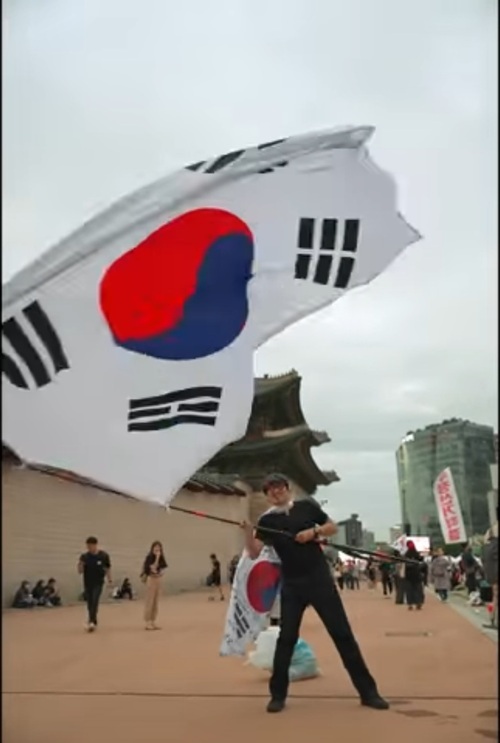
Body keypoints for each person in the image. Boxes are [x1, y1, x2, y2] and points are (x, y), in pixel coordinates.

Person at [242, 473, 389, 714]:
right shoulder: (267, 521)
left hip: (320, 581)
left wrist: (313, 532)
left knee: (342, 635)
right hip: (292, 584)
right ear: (267, 496)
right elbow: (254, 552)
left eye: (279, 488)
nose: (276, 492)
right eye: (270, 490)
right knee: (286, 639)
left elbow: (332, 527)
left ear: (288, 489)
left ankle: (368, 693)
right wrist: (248, 532)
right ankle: (277, 695)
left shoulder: (306, 507)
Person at [77, 536, 112, 632]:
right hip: (88, 583)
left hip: (98, 582)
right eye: (87, 546)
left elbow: (107, 568)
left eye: (91, 546)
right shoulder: (84, 557)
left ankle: (91, 621)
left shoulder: (103, 556)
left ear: (95, 545)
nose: (89, 548)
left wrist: (109, 579)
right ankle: (93, 620)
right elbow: (80, 571)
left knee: (95, 600)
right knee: (90, 603)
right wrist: (80, 565)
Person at [141, 541, 167, 630]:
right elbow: (152, 568)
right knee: (150, 600)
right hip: (151, 579)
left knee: (156, 601)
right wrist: (157, 558)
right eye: (155, 547)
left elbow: (163, 568)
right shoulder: (149, 557)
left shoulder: (162, 558)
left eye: (159, 547)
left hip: (158, 579)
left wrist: (161, 572)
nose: (157, 549)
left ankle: (153, 620)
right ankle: (148, 621)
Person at [482, 523, 498, 629]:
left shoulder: (486, 547)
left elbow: (483, 561)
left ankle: (492, 619)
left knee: (495, 597)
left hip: (492, 576)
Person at [403, 540, 424, 610]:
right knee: (418, 589)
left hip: (408, 574)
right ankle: (419, 603)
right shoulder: (417, 553)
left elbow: (404, 563)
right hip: (417, 574)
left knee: (409, 590)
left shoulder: (406, 554)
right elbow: (421, 562)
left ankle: (410, 604)